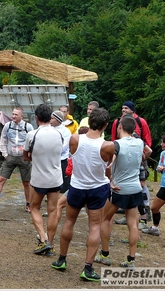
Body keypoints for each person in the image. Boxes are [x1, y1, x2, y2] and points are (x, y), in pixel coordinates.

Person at [51, 108, 114, 282]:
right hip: (97, 188)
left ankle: (61, 259)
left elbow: (71, 155)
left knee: (69, 221)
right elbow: (108, 166)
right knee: (94, 226)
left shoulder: (75, 138)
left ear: (90, 121)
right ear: (105, 125)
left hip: (77, 186)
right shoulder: (108, 145)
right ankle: (88, 268)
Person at [94, 116, 144, 270]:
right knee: (132, 223)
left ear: (120, 126)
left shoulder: (116, 144)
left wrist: (110, 182)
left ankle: (105, 255)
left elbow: (108, 167)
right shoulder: (140, 142)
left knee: (106, 219)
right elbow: (145, 154)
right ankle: (131, 259)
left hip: (120, 188)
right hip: (135, 188)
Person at [23, 104, 63, 256]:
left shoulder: (32, 134)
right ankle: (50, 244)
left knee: (34, 208)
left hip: (39, 178)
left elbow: (25, 156)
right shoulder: (59, 134)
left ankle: (43, 239)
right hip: (55, 178)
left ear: (37, 118)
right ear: (51, 118)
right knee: (52, 210)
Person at [0, 107, 34, 212]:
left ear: (22, 116)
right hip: (10, 156)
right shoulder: (8, 126)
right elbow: (3, 139)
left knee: (27, 182)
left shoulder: (28, 127)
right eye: (13, 114)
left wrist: (30, 154)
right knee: (1, 179)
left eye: (16, 114)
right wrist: (5, 154)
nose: (13, 116)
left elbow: (33, 141)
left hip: (23, 157)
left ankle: (29, 204)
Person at [112, 101, 153, 224]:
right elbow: (114, 138)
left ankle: (145, 211)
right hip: (122, 153)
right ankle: (127, 212)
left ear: (132, 110)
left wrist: (143, 157)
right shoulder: (117, 121)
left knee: (141, 183)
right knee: (125, 182)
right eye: (122, 108)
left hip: (139, 154)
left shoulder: (141, 121)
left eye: (126, 108)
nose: (123, 110)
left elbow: (147, 139)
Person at [50, 110, 71, 193]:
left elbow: (64, 146)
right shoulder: (49, 129)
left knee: (63, 181)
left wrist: (52, 151)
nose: (50, 120)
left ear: (58, 120)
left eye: (52, 118)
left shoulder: (66, 131)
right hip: (51, 159)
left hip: (62, 159)